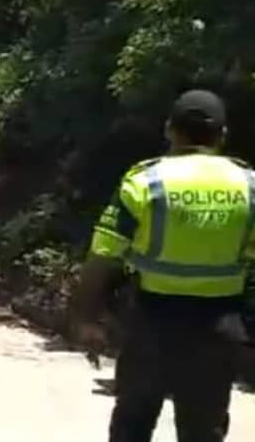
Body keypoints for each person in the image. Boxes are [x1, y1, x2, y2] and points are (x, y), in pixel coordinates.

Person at [71, 89, 254, 442]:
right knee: (204, 430)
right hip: (218, 329)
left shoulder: (145, 182)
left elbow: (103, 257)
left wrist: (85, 319)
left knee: (132, 424)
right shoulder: (249, 185)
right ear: (223, 135)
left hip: (151, 324)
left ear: (170, 129)